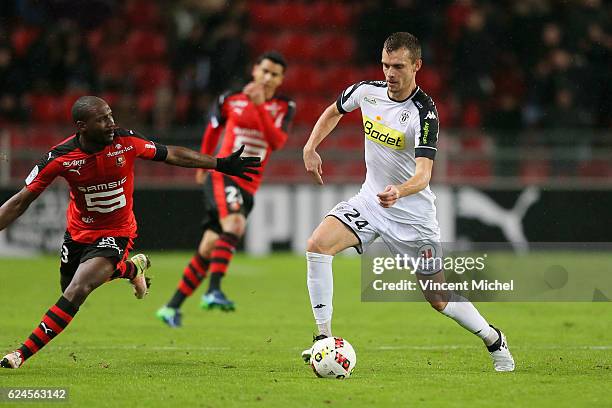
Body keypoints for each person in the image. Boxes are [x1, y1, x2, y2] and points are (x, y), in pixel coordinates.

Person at [300, 32, 515, 372]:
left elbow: (424, 175)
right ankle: (323, 339)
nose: (390, 73)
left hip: (412, 219)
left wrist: (399, 190)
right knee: (317, 245)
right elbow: (333, 111)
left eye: (398, 66)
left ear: (417, 66)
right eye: (385, 65)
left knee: (439, 300)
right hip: (371, 203)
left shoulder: (424, 114)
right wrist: (311, 147)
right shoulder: (366, 92)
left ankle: (493, 338)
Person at [0, 96, 260, 369]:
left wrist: (219, 163)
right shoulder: (60, 157)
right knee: (68, 287)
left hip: (117, 231)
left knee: (78, 289)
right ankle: (131, 270)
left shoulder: (125, 141)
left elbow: (171, 153)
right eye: (102, 119)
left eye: (111, 115)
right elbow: (19, 201)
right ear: (81, 126)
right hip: (78, 233)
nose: (111, 123)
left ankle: (19, 354)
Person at [157, 51, 295, 326]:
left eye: (274, 74)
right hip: (223, 175)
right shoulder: (230, 99)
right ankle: (214, 290)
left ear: (281, 80)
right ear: (254, 70)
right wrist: (202, 164)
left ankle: (171, 308)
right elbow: (212, 131)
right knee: (234, 224)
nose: (268, 78)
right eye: (264, 71)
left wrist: (258, 107)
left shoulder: (284, 107)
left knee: (209, 247)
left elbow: (277, 142)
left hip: (249, 185)